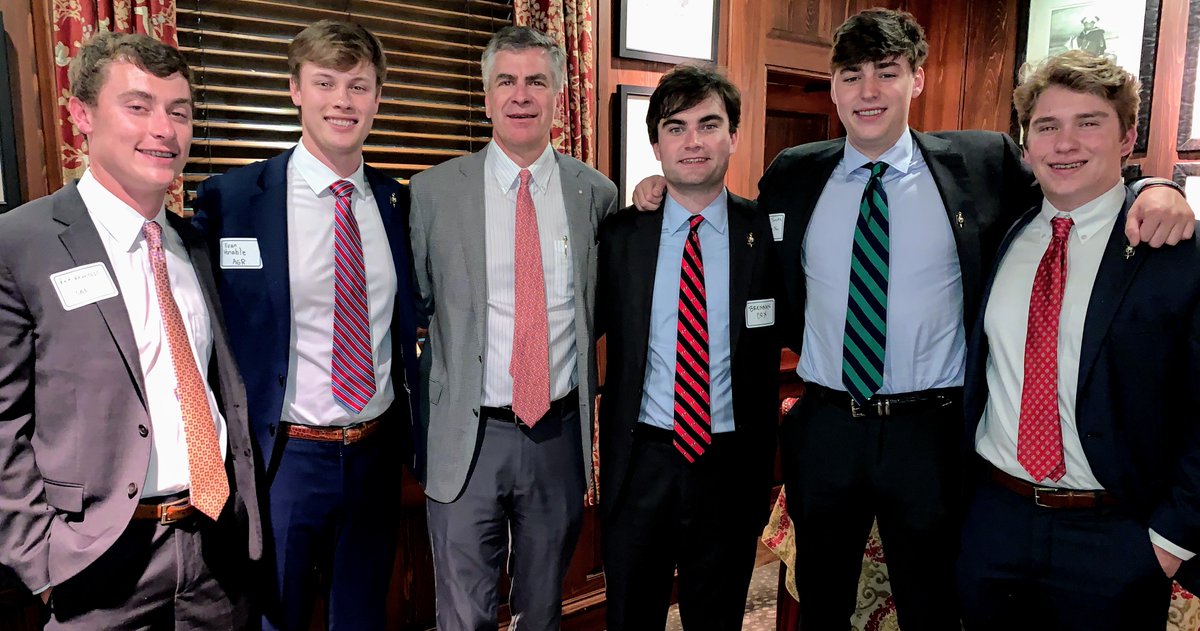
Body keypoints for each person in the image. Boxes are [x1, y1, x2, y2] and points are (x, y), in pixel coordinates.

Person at [632, 8, 1193, 629]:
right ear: (834, 88)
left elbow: (1076, 183)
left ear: (916, 81)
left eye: (887, 72)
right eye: (851, 76)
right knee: (821, 600)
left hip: (930, 433)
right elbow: (734, 234)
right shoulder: (795, 174)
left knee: (934, 603)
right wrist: (654, 193)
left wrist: (1153, 187)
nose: (868, 92)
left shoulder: (981, 165)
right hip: (827, 426)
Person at [0, 32, 261, 629]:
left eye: (179, 111)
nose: (164, 129)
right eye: (138, 106)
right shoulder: (20, 244)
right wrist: (40, 559)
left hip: (216, 550)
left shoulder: (194, 244)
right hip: (96, 565)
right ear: (82, 116)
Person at [957, 49, 1200, 631]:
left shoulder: (1174, 252)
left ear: (1127, 137)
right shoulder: (1002, 234)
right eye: (1047, 126)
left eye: (1088, 122)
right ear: (1027, 145)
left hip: (1114, 534)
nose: (1065, 143)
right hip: (995, 517)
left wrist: (1169, 539)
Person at [191, 19, 418, 631]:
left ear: (377, 97)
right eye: (325, 83)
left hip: (375, 453)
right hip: (283, 460)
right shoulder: (232, 200)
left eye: (359, 86)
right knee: (275, 617)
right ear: (295, 90)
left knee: (364, 616)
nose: (342, 101)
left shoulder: (399, 203)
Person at [408, 25, 618, 630]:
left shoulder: (594, 196)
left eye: (536, 81)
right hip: (466, 439)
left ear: (557, 95)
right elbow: (416, 305)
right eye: (506, 81)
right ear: (486, 94)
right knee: (464, 612)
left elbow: (600, 307)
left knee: (544, 607)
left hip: (556, 434)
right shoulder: (433, 193)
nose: (520, 95)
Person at [596, 63, 781, 630]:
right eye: (675, 128)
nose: (693, 141)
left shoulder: (769, 236)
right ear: (656, 145)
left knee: (717, 617)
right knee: (631, 615)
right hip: (641, 460)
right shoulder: (620, 235)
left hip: (729, 465)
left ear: (734, 135)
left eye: (709, 124)